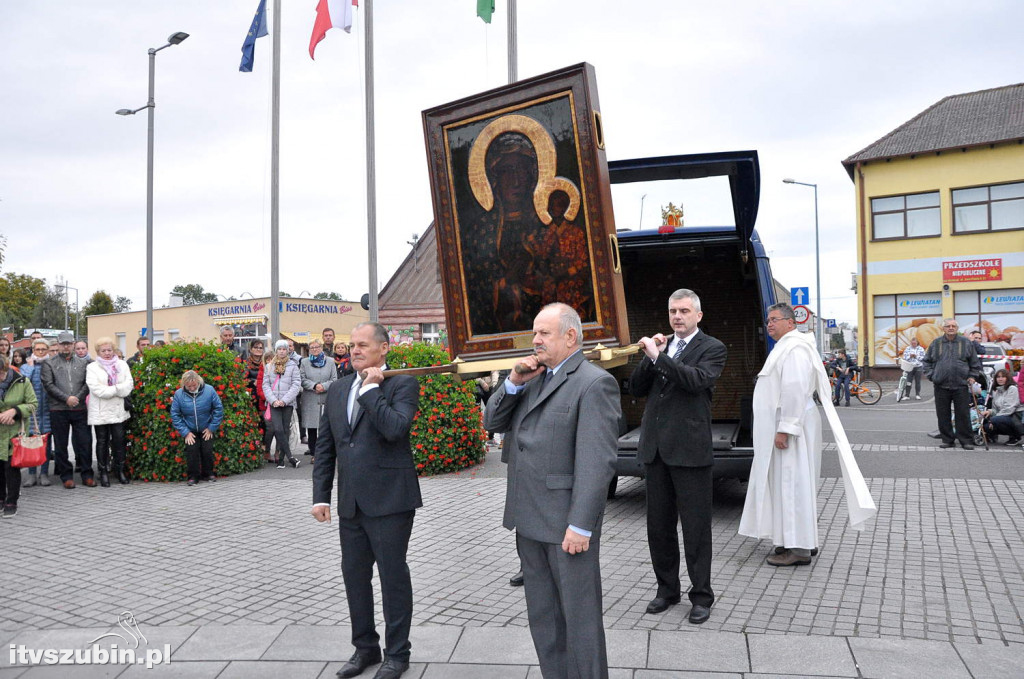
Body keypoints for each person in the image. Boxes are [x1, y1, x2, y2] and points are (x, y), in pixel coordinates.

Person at [484, 303, 619, 678]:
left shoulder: (593, 383)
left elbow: (596, 463)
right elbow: (492, 421)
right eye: (535, 332)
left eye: (544, 333)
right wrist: (512, 380)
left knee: (579, 620)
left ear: (570, 336)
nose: (535, 340)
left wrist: (581, 525)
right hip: (528, 520)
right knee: (544, 619)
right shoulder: (532, 376)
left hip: (565, 527)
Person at [311, 322, 422, 679]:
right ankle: (365, 648)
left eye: (362, 345)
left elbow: (395, 428)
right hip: (351, 503)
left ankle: (397, 654)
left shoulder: (401, 384)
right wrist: (320, 496)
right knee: (354, 576)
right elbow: (327, 447)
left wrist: (372, 390)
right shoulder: (340, 388)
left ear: (383, 348)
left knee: (392, 578)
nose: (354, 350)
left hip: (391, 501)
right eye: (351, 344)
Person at [739, 303, 875, 566]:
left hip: (792, 426)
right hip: (791, 424)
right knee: (788, 484)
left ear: (790, 322)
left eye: (774, 319)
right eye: (767, 320)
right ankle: (794, 541)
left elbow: (795, 389)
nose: (769, 324)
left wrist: (785, 429)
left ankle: (799, 549)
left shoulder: (795, 348)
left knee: (793, 485)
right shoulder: (787, 346)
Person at [628, 289, 726, 624]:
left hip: (690, 451)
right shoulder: (662, 346)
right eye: (672, 311)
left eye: (684, 311)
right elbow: (636, 389)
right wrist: (648, 356)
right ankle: (666, 590)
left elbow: (695, 381)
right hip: (656, 451)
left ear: (698, 315)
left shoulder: (712, 348)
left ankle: (701, 596)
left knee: (696, 529)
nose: (677, 317)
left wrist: (659, 358)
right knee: (659, 527)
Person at [41, 331, 94, 488]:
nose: (66, 346)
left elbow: (88, 383)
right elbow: (48, 385)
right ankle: (66, 476)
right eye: (63, 344)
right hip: (58, 409)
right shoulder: (49, 363)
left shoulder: (85, 363)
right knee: (61, 444)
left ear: (73, 344)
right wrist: (66, 398)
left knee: (85, 443)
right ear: (57, 345)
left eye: (69, 344)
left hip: (80, 408)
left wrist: (76, 397)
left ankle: (87, 474)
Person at [923, 318, 981, 450]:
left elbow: (974, 363)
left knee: (963, 414)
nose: (950, 328)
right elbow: (926, 362)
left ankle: (966, 440)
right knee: (943, 414)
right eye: (948, 326)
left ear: (957, 328)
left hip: (960, 385)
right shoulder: (936, 343)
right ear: (943, 328)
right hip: (941, 385)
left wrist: (972, 376)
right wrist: (932, 376)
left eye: (953, 326)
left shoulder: (966, 343)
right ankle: (947, 440)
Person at [86, 337, 133, 486]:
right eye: (103, 351)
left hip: (118, 411)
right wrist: (117, 389)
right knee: (102, 442)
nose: (107, 353)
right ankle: (103, 471)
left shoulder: (122, 365)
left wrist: (116, 390)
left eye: (109, 350)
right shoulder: (92, 367)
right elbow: (97, 390)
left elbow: (128, 386)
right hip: (100, 411)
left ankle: (119, 470)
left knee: (119, 441)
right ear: (98, 352)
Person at [0, 354, 39, 517]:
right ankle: (1, 499)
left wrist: (14, 411)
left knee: (11, 467)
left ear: (6, 368)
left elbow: (33, 405)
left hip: (16, 432)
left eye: (1, 373)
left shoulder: (23, 381)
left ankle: (12, 500)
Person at [170, 371, 224, 486]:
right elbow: (175, 414)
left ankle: (208, 473)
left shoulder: (209, 390)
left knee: (207, 450)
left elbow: (218, 409)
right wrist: (185, 432)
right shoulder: (179, 394)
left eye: (194, 385)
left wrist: (211, 427)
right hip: (190, 429)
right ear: (184, 384)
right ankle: (193, 476)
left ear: (198, 381)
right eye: (189, 386)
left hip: (206, 427)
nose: (192, 388)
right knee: (192, 452)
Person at [263, 340, 301, 469]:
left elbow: (296, 384)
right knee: (277, 429)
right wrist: (273, 400)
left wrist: (284, 400)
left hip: (287, 403)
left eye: (284, 349)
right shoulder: (269, 366)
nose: (282, 351)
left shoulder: (293, 365)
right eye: (279, 349)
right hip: (274, 403)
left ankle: (281, 460)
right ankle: (290, 457)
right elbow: (266, 385)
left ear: (287, 351)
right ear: (276, 350)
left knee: (285, 430)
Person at [21, 340, 53, 486]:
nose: (40, 352)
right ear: (33, 350)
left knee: (46, 444)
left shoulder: (51, 364)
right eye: (37, 349)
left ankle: (44, 473)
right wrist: (30, 368)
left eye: (43, 349)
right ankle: (32, 474)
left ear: (47, 350)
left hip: (47, 410)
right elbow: (23, 382)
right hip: (31, 412)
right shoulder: (26, 366)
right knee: (31, 443)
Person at [299, 339, 336, 460]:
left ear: (321, 348)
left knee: (325, 428)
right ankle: (314, 454)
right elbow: (302, 379)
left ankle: (325, 453)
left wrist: (323, 386)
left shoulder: (330, 361)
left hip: (326, 397)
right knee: (312, 428)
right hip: (310, 397)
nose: (314, 349)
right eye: (312, 347)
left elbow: (334, 379)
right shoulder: (304, 362)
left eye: (317, 347)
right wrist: (314, 386)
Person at [981, 369, 1023, 445]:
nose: (1000, 379)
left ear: (1008, 378)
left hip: (1015, 417)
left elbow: (1009, 409)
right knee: (986, 426)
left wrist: (993, 420)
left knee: (995, 420)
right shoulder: (996, 391)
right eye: (998, 377)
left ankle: (1017, 436)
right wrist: (989, 411)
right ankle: (990, 436)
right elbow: (996, 409)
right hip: (1004, 416)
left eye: (1003, 377)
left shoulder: (1012, 389)